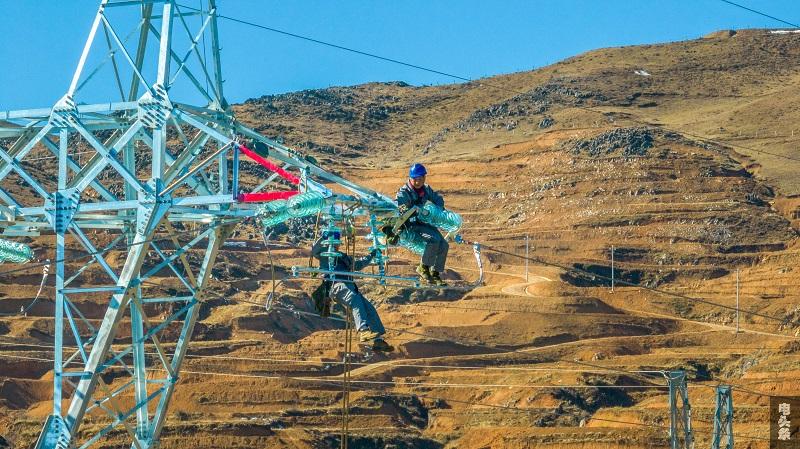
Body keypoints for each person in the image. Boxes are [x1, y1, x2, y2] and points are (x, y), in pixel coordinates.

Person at [310, 231, 393, 352]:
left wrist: (371, 255)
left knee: (369, 309)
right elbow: (314, 250)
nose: (335, 246)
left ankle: (378, 341)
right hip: (335, 285)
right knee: (354, 299)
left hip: (350, 287)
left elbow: (358, 264)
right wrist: (322, 237)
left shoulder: (344, 257)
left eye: (337, 243)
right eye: (333, 243)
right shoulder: (324, 255)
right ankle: (363, 331)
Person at [395, 163, 448, 286]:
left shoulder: (425, 189)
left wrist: (439, 210)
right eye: (416, 179)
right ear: (410, 178)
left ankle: (435, 273)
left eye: (421, 179)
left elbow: (437, 198)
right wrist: (416, 210)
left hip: (422, 221)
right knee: (433, 240)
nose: (418, 182)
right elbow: (401, 211)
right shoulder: (403, 193)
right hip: (410, 225)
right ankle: (423, 268)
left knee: (444, 244)